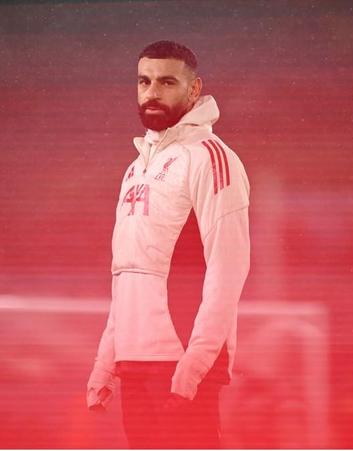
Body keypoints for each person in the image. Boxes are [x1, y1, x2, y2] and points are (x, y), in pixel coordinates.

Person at [86, 40, 251, 448]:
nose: (152, 92)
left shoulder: (210, 157)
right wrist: (106, 361)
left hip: (181, 359)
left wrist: (197, 361)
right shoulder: (135, 168)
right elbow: (126, 272)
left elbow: (229, 267)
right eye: (144, 81)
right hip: (134, 359)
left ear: (194, 89)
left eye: (167, 82)